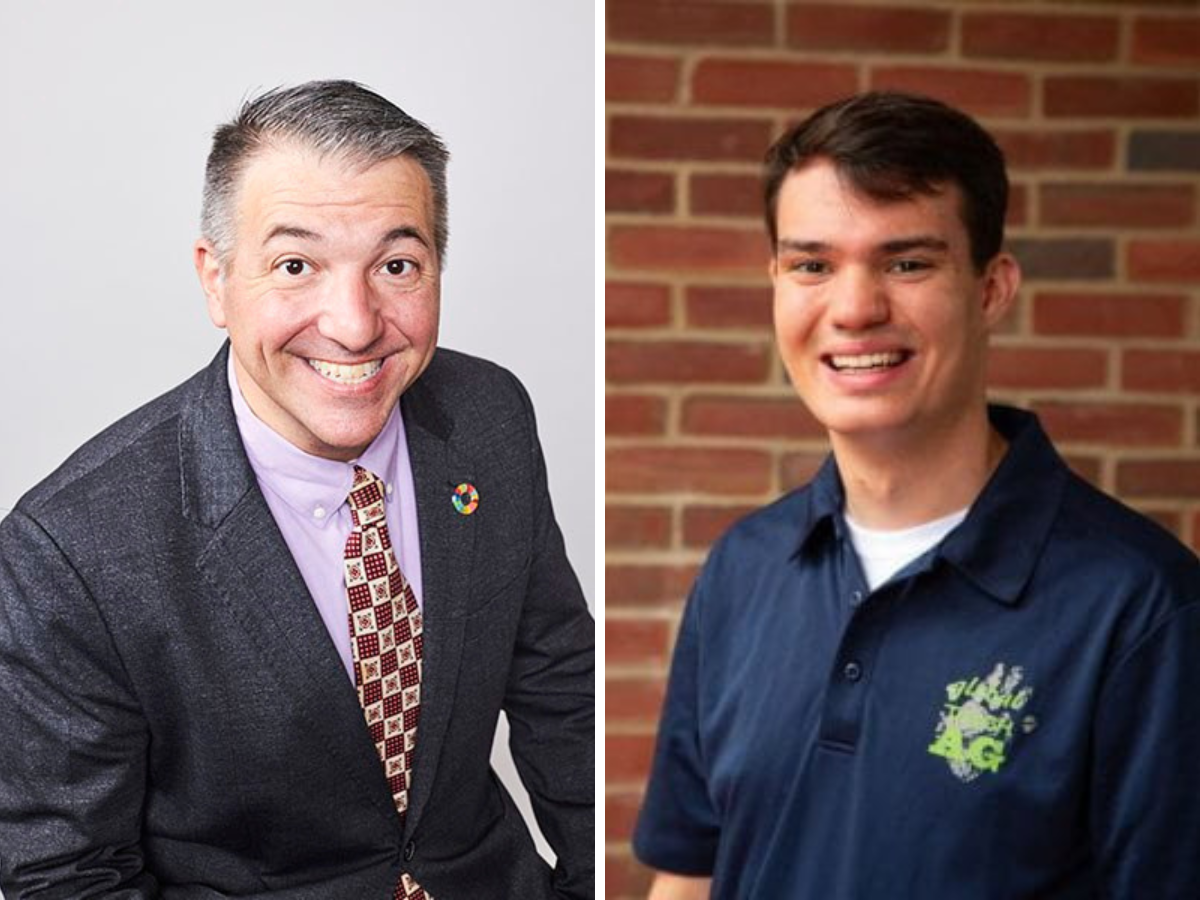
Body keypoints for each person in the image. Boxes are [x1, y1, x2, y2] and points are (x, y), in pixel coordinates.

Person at [0, 80, 594, 899]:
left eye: (396, 264)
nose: (354, 323)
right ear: (216, 279)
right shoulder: (70, 550)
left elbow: (563, 690)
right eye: (295, 264)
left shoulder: (489, 417)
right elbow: (69, 877)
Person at [633, 92, 1200, 899]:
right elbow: (689, 875)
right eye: (812, 265)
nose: (855, 309)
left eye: (908, 262)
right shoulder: (741, 570)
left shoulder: (1141, 609)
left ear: (992, 288)